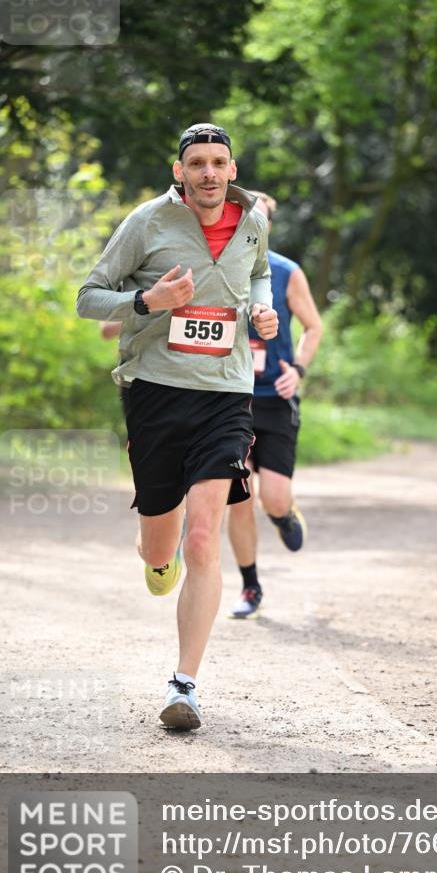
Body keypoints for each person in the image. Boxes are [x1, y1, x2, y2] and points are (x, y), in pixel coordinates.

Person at [77, 123, 278, 730]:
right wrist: (146, 303)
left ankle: (184, 686)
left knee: (203, 537)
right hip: (157, 393)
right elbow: (89, 296)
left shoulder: (253, 221)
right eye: (197, 163)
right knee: (162, 548)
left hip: (227, 393)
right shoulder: (147, 222)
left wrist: (262, 308)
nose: (208, 173)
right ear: (180, 171)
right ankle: (154, 556)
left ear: (232, 169)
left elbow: (260, 271)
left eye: (218, 162)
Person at [226, 192, 323, 619]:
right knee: (239, 495)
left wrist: (298, 370)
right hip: (231, 400)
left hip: (275, 399)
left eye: (260, 220)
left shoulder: (287, 272)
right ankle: (250, 586)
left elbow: (314, 327)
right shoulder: (218, 268)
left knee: (274, 499)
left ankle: (283, 515)